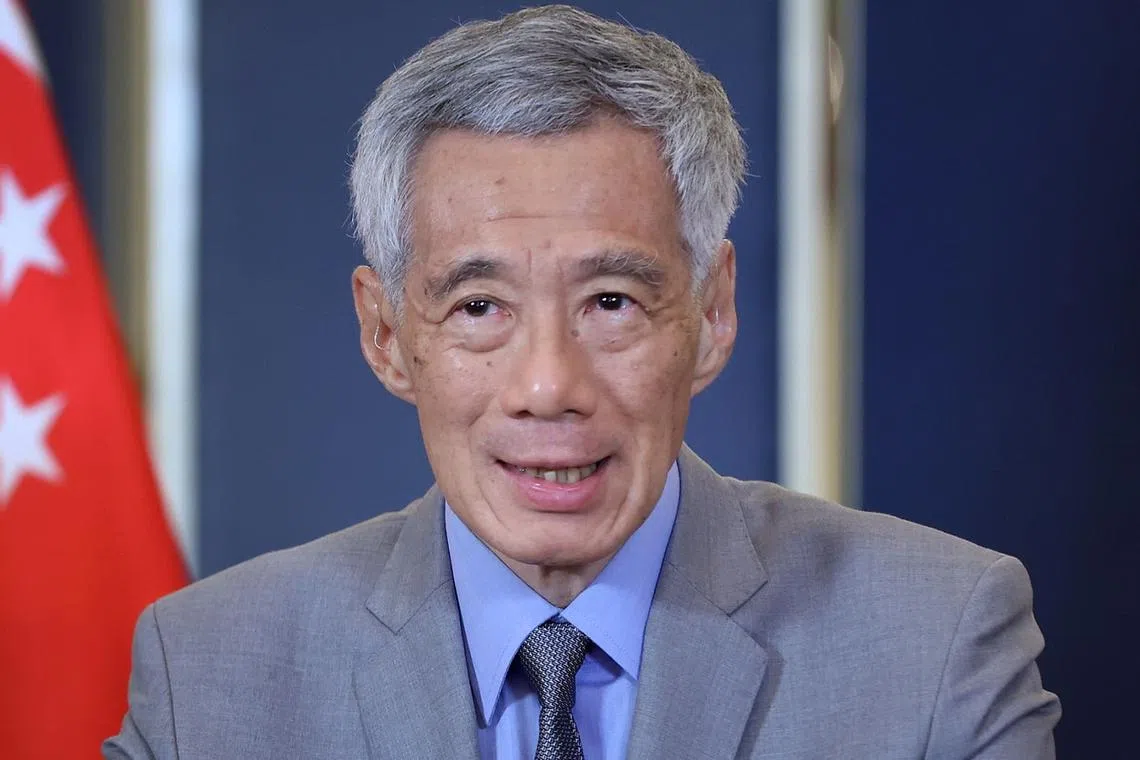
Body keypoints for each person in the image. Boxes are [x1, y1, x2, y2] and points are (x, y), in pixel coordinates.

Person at [104, 5, 1059, 759]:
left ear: (712, 314)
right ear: (386, 334)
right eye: (480, 306)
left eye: (611, 301)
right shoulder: (208, 677)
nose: (548, 385)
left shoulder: (936, 640)